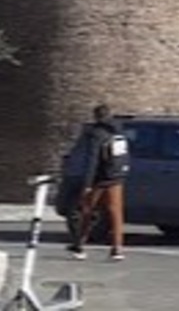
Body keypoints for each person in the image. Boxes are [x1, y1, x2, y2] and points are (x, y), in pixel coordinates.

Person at [66, 104, 130, 261]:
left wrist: (87, 184)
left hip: (100, 179)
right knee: (116, 213)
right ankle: (117, 249)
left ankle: (79, 246)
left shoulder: (96, 134)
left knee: (87, 211)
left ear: (96, 116)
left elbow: (92, 160)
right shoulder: (119, 131)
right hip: (116, 177)